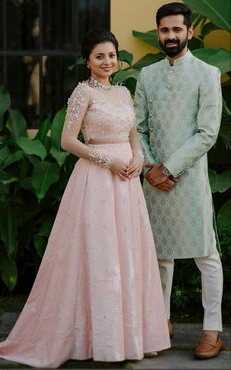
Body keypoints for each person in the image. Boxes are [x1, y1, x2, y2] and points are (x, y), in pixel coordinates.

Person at [0, 29, 170, 368]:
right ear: (88, 60)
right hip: (98, 179)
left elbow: (134, 133)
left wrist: (136, 156)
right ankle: (98, 340)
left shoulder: (122, 92)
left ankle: (129, 338)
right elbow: (67, 141)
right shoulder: (82, 93)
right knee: (101, 255)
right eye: (99, 56)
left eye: (111, 55)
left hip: (128, 181)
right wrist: (111, 160)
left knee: (127, 255)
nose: (107, 62)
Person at [134, 2, 223, 360]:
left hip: (188, 177)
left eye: (176, 30)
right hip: (153, 177)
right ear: (158, 33)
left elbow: (207, 133)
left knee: (206, 255)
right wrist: (150, 169)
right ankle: (161, 324)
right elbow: (137, 128)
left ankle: (212, 331)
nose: (170, 36)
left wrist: (168, 169)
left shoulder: (207, 73)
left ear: (189, 32)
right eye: (164, 30)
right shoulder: (147, 76)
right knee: (159, 256)